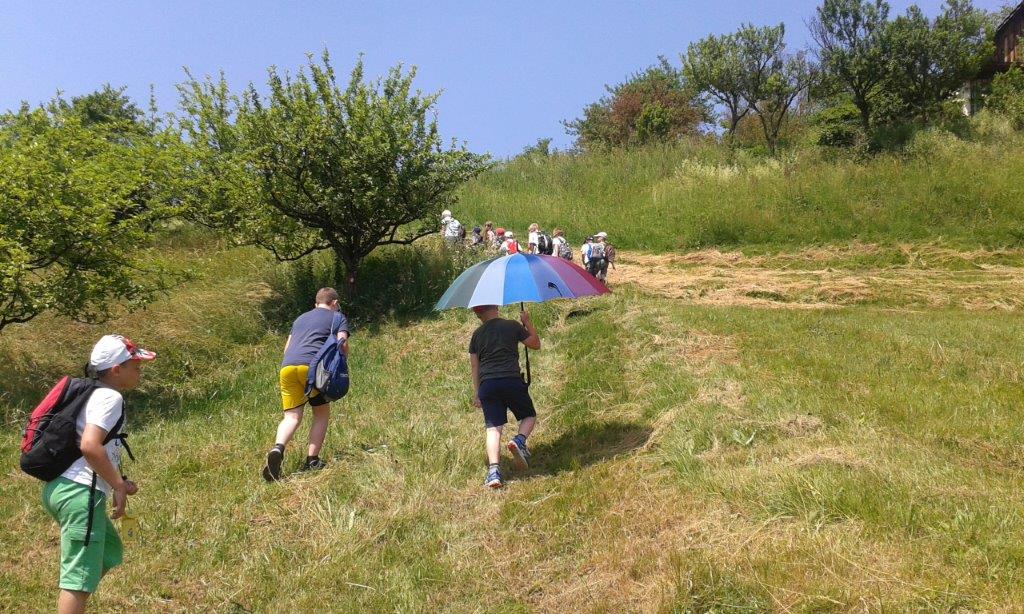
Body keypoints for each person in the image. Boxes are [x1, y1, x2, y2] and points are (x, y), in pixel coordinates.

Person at [42, 334, 155, 614]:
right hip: (80, 493)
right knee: (78, 578)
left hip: (63, 487)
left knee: (108, 551)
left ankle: (73, 601)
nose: (140, 371)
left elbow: (94, 449)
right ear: (116, 370)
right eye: (135, 366)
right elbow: (90, 445)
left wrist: (117, 480)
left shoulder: (92, 393)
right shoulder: (109, 397)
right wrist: (117, 485)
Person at [263, 287, 350, 482]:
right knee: (321, 413)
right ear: (335, 303)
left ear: (316, 303)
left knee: (292, 417)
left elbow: (287, 348)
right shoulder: (337, 317)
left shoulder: (300, 319)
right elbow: (342, 344)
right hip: (311, 369)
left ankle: (278, 448)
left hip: (287, 368)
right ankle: (312, 460)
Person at [468, 305, 541, 488]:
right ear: (496, 307)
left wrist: (478, 392)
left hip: (488, 385)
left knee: (493, 428)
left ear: (477, 315)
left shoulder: (476, 335)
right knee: (529, 415)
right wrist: (527, 322)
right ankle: (519, 441)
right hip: (511, 380)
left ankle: (494, 471)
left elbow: (475, 366)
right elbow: (535, 344)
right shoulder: (512, 325)